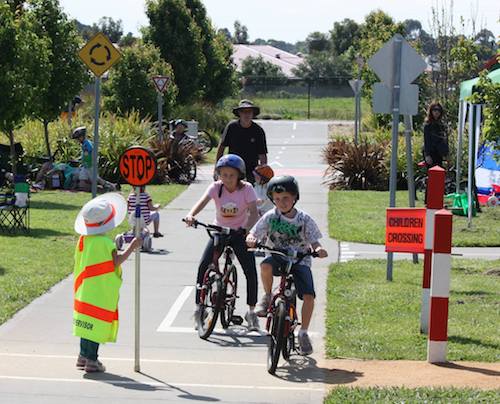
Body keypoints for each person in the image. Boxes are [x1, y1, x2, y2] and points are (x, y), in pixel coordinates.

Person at [246, 175, 328, 355]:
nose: (281, 202)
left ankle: (304, 332)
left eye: (285, 198)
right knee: (265, 265)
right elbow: (255, 232)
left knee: (308, 296)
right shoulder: (270, 216)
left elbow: (314, 241)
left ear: (295, 198)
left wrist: (319, 249)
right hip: (278, 256)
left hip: (300, 260)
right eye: (276, 199)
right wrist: (252, 238)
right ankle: (267, 296)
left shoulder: (304, 219)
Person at [184, 154, 260, 331]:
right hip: (219, 231)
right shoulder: (216, 188)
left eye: (231, 175)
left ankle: (251, 312)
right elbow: (202, 202)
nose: (227, 179)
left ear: (239, 175)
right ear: (218, 175)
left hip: (239, 233)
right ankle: (199, 309)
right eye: (223, 175)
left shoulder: (247, 189)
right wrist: (191, 215)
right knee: (204, 265)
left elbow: (254, 212)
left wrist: (248, 230)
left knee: (250, 269)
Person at [73, 193, 141, 373]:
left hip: (84, 289)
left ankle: (82, 355)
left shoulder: (83, 239)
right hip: (100, 291)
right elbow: (115, 262)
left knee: (86, 324)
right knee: (96, 325)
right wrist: (132, 247)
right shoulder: (105, 242)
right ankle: (92, 361)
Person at [214, 99, 268, 184]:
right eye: (243, 112)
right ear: (239, 113)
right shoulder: (232, 127)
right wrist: (217, 169)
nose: (246, 114)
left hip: (251, 169)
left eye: (249, 112)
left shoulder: (258, 131)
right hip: (232, 167)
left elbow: (262, 154)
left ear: (253, 113)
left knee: (250, 193)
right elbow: (221, 147)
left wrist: (263, 172)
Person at [71, 126, 117, 191]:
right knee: (83, 179)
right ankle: (89, 188)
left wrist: (88, 162)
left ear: (82, 136)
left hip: (90, 164)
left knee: (95, 179)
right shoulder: (85, 144)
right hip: (86, 165)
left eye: (78, 138)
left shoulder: (87, 144)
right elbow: (85, 155)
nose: (78, 140)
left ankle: (110, 186)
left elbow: (90, 154)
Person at [423, 101, 449, 168]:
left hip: (440, 154)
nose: (437, 112)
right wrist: (427, 155)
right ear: (431, 111)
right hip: (431, 154)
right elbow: (426, 141)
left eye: (439, 110)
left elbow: (445, 140)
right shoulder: (428, 125)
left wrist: (446, 155)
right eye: (434, 110)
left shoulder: (442, 125)